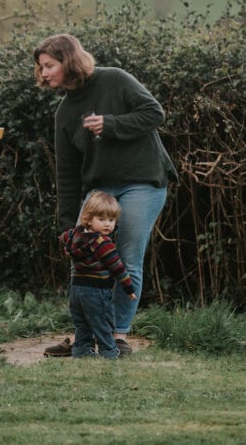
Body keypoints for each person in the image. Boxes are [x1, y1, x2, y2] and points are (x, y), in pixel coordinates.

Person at [34, 33, 176, 357]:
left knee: (125, 254)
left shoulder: (114, 79)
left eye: (49, 66)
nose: (43, 74)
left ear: (67, 61)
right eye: (41, 68)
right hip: (99, 188)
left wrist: (111, 124)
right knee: (83, 254)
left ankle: (118, 335)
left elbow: (155, 113)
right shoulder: (64, 114)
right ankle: (84, 334)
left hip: (143, 180)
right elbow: (67, 174)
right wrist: (68, 224)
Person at [60, 191, 137, 359]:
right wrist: (128, 287)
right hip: (97, 291)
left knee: (82, 323)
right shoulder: (103, 243)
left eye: (111, 220)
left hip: (77, 290)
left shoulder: (75, 235)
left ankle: (81, 351)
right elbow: (118, 268)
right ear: (88, 218)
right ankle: (109, 352)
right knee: (103, 322)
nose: (107, 225)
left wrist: (68, 237)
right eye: (101, 219)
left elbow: (63, 237)